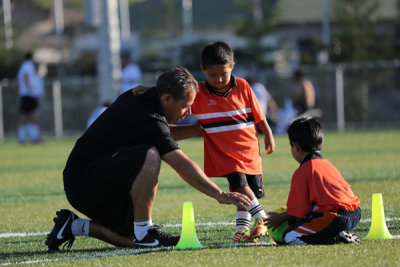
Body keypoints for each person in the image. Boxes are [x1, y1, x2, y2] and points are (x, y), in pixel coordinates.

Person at [45, 67, 252, 251]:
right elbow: (179, 162)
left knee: (130, 240)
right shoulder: (146, 115)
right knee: (150, 154)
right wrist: (220, 194)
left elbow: (161, 134)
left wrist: (201, 129)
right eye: (185, 106)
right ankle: (145, 231)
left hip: (91, 179)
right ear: (167, 99)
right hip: (85, 181)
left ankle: (73, 226)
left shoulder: (146, 100)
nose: (188, 112)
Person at [180, 41, 275, 243]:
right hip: (225, 154)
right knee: (240, 186)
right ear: (203, 70)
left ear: (232, 66)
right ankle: (263, 219)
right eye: (213, 75)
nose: (219, 79)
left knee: (244, 194)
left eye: (224, 73)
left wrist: (268, 133)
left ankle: (240, 231)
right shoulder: (198, 93)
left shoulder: (243, 86)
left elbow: (259, 116)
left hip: (249, 151)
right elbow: (181, 99)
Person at [265, 117, 362, 245]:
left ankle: (335, 238)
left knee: (289, 237)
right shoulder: (327, 164)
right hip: (355, 214)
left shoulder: (303, 171)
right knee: (315, 220)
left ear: (296, 147)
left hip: (333, 217)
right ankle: (338, 233)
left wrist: (279, 218)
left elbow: (300, 211)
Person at [16, 52, 41, 144]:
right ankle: (31, 138)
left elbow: (18, 80)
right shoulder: (27, 66)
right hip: (28, 94)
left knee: (28, 115)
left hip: (25, 95)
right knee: (31, 115)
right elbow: (26, 77)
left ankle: (26, 138)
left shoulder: (23, 66)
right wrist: (30, 88)